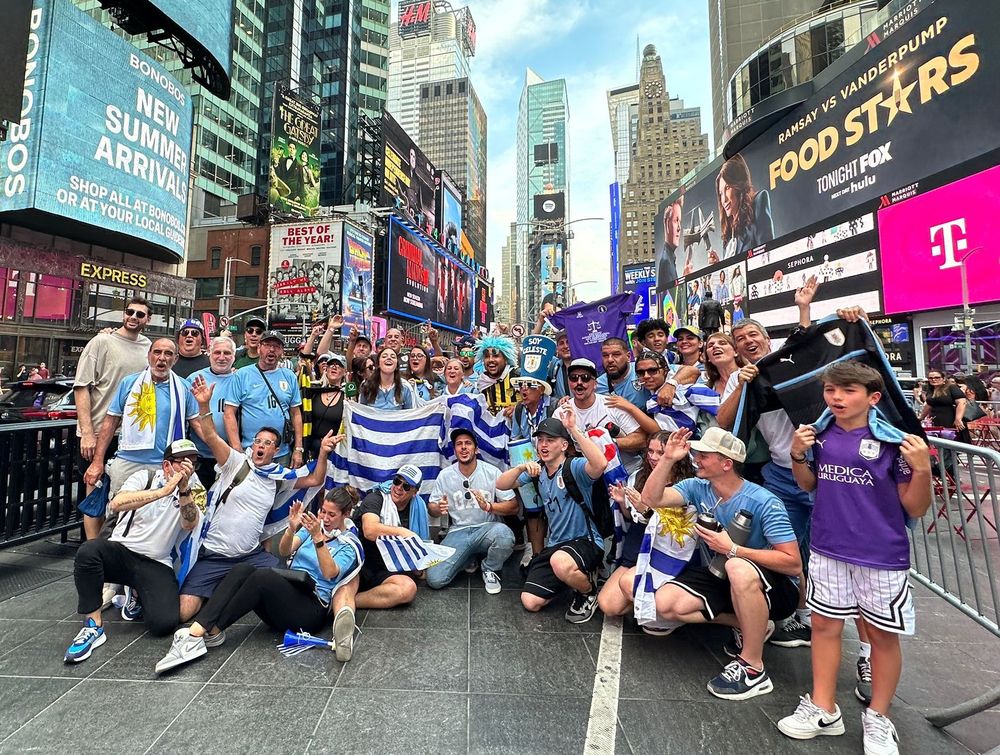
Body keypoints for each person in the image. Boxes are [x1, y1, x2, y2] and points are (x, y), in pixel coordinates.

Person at [777, 362, 931, 754]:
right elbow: (809, 484)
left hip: (881, 554)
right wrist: (797, 455)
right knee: (825, 629)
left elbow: (915, 506)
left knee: (881, 636)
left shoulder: (895, 442)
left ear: (873, 397)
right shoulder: (820, 435)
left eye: (847, 391)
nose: (837, 398)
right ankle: (823, 707)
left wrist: (923, 469)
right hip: (828, 549)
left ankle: (879, 717)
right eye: (831, 390)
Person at [641, 428, 801, 700]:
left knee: (736, 567)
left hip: (774, 588)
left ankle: (753, 667)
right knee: (664, 604)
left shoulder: (763, 501)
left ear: (727, 464)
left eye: (704, 455)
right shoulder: (697, 487)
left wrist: (734, 549)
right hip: (722, 574)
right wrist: (667, 459)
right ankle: (748, 624)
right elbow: (650, 499)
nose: (696, 459)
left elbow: (793, 563)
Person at [179, 376, 339, 622]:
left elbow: (315, 479)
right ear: (252, 445)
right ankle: (219, 590)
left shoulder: (278, 476)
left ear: (276, 450)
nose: (261, 446)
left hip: (250, 557)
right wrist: (203, 406)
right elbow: (211, 437)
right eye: (258, 441)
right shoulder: (235, 462)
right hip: (214, 555)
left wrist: (324, 453)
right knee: (183, 613)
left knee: (286, 585)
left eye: (269, 443)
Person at [156, 486, 363, 673]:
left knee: (262, 576)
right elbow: (284, 550)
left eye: (332, 515)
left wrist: (319, 539)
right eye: (323, 512)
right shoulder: (314, 529)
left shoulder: (348, 544)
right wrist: (291, 529)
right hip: (290, 593)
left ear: (345, 515)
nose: (325, 518)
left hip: (310, 610)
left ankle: (197, 635)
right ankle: (207, 631)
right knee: (242, 568)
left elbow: (330, 573)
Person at [64, 439, 204, 663]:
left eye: (193, 464)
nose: (188, 469)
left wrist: (182, 490)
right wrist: (162, 492)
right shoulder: (145, 477)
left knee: (163, 624)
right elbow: (118, 503)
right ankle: (93, 625)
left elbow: (190, 523)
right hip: (122, 550)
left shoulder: (195, 489)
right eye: (183, 463)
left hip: (156, 561)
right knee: (88, 552)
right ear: (167, 465)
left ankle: (137, 593)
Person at [496, 408, 609, 623]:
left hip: (585, 541)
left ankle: (588, 591)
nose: (543, 445)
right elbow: (501, 484)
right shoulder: (538, 472)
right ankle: (570, 578)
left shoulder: (573, 467)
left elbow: (600, 464)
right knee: (530, 601)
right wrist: (521, 468)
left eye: (550, 440)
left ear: (564, 445)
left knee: (560, 561)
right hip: (556, 546)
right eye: (540, 440)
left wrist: (572, 429)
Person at [84, 338, 202, 503]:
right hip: (128, 463)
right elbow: (110, 422)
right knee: (120, 518)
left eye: (168, 354)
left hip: (165, 465)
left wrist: (224, 451)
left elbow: (197, 424)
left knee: (158, 519)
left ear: (175, 359)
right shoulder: (129, 383)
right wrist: (97, 462)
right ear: (149, 356)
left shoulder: (183, 387)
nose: (162, 358)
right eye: (157, 352)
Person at [74, 297, 153, 539]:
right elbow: (81, 387)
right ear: (123, 314)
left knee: (126, 492)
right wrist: (87, 432)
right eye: (130, 312)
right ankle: (91, 548)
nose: (134, 317)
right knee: (94, 489)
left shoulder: (148, 347)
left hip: (133, 435)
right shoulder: (101, 341)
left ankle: (115, 548)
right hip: (99, 431)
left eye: (140, 314)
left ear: (147, 320)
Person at [597, 431, 696, 625]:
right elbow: (631, 519)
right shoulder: (638, 476)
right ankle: (657, 609)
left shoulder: (689, 485)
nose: (653, 457)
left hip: (667, 555)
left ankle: (669, 613)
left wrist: (646, 511)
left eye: (660, 452)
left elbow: (680, 531)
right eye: (650, 451)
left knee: (629, 585)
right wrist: (624, 504)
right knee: (608, 605)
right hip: (636, 549)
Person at [426, 429, 518, 592]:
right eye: (459, 444)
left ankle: (489, 568)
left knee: (505, 536)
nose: (463, 448)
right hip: (458, 532)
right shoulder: (445, 475)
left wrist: (489, 507)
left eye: (468, 443)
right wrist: (438, 508)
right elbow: (432, 508)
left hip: (488, 529)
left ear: (476, 449)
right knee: (435, 579)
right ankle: (468, 556)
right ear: (454, 450)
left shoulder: (492, 472)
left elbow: (513, 506)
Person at [350, 464, 427, 609]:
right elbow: (370, 530)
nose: (398, 488)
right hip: (361, 565)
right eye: (397, 481)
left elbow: (418, 545)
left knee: (408, 589)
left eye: (406, 486)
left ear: (415, 492)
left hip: (388, 569)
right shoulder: (376, 498)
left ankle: (350, 602)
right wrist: (401, 532)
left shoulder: (418, 507)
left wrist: (418, 566)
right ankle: (343, 602)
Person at [561, 358, 653, 474]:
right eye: (573, 378)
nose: (579, 382)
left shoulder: (613, 404)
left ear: (595, 384)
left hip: (628, 472)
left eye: (585, 378)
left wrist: (608, 443)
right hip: (589, 478)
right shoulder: (562, 412)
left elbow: (642, 439)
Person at [225, 330, 304, 466]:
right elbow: (229, 413)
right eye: (267, 345)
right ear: (260, 347)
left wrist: (298, 449)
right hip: (250, 452)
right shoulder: (242, 375)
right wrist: (237, 449)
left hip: (281, 453)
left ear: (282, 351)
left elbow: (296, 414)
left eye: (277, 346)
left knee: (280, 487)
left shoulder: (289, 376)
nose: (271, 350)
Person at [188, 336, 238, 489]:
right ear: (209, 354)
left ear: (234, 356)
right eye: (217, 352)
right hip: (200, 457)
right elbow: (192, 418)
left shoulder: (240, 379)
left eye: (227, 353)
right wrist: (214, 442)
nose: (221, 357)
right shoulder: (194, 378)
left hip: (230, 456)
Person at [717, 153, 774, 258]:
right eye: (721, 193)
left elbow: (768, 254)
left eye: (728, 188)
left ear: (738, 185)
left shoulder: (758, 203)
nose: (723, 199)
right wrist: (718, 267)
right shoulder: (728, 234)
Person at [304, 354, 347, 459]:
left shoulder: (348, 397)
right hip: (312, 451)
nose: (334, 367)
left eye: (339, 365)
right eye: (331, 365)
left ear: (344, 372)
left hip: (334, 452)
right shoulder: (314, 391)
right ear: (325, 370)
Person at [596, 337, 652, 410]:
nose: (610, 360)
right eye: (605, 355)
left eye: (616, 354)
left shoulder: (642, 370)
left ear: (628, 356)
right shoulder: (597, 385)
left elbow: (669, 370)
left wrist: (670, 384)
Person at [917, 369, 969, 443]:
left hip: (950, 419)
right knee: (938, 444)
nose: (933, 380)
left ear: (943, 378)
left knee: (951, 443)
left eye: (937, 377)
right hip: (935, 420)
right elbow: (929, 405)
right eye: (931, 378)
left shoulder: (951, 387)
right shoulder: (930, 389)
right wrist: (920, 418)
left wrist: (958, 419)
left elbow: (962, 402)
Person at [476, 336, 519, 414]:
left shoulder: (517, 376)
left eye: (496, 356)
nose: (491, 360)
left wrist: (518, 410)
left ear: (506, 359)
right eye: (487, 356)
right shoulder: (482, 382)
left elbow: (534, 402)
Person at [657, 198, 683, 289]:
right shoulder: (666, 262)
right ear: (667, 224)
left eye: (680, 221)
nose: (679, 228)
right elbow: (669, 301)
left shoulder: (670, 259)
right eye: (676, 221)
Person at [547, 331, 573, 399]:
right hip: (561, 408)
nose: (565, 346)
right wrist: (540, 323)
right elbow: (533, 349)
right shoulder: (554, 365)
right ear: (557, 348)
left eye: (568, 342)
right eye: (561, 343)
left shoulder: (584, 364)